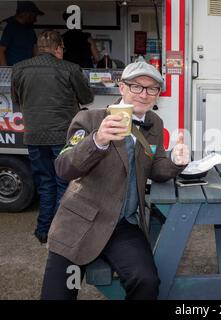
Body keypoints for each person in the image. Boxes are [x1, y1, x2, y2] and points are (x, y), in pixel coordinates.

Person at [40, 59, 190, 300]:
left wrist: (176, 162)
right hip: (79, 223)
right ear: (122, 88)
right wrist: (97, 140)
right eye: (136, 86)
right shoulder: (90, 119)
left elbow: (157, 168)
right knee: (57, 295)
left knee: (146, 281)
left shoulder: (154, 124)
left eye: (152, 88)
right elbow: (64, 168)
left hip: (124, 226)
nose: (144, 94)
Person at [11, 30, 94, 244]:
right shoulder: (70, 68)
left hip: (34, 136)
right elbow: (87, 97)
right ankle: (59, 232)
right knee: (64, 184)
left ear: (39, 48)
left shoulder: (19, 68)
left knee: (45, 184)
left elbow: (17, 100)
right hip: (62, 135)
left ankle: (43, 230)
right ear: (58, 48)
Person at [0, 1, 44, 66]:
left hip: (27, 71)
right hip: (12, 70)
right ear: (24, 13)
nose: (35, 20)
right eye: (34, 16)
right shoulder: (7, 26)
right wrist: (6, 71)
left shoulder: (29, 28)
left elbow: (35, 49)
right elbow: (0, 50)